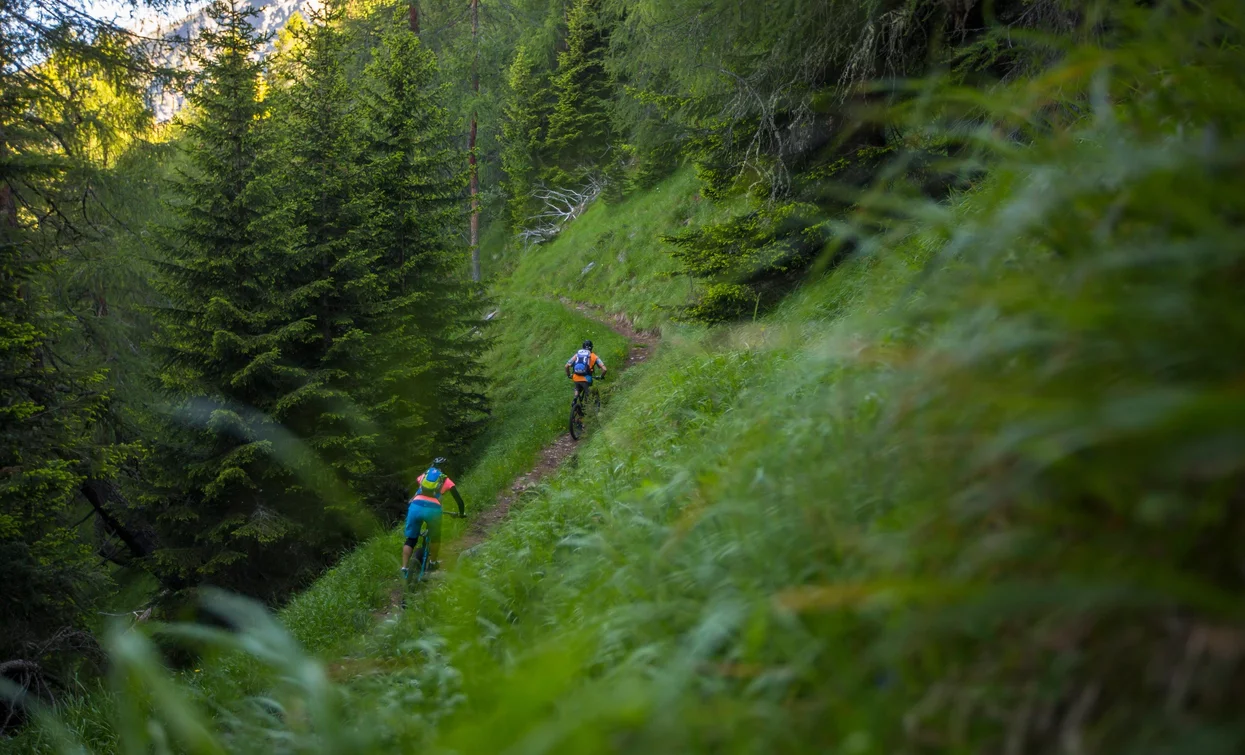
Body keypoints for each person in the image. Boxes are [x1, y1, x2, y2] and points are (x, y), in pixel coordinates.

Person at [401, 457, 466, 578]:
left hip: (415, 506)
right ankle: (432, 562)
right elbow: (459, 500)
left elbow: (415, 488)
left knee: (411, 539)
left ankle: (404, 568)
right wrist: (461, 513)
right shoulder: (446, 480)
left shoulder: (425, 475)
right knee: (435, 537)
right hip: (433, 509)